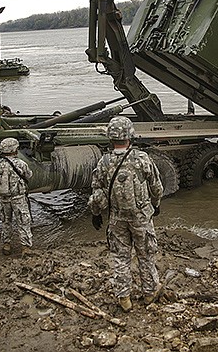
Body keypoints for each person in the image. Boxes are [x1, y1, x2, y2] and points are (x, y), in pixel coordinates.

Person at [88, 116, 163, 312]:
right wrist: (156, 205)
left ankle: (124, 299)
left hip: (117, 218)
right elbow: (156, 186)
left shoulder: (104, 162)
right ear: (130, 136)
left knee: (121, 258)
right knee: (146, 255)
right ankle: (149, 294)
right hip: (141, 217)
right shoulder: (142, 158)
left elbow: (96, 191)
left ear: (110, 138)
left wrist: (96, 213)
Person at [0, 137, 34, 255]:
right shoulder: (20, 164)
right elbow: (29, 175)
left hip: (4, 199)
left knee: (6, 222)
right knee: (23, 222)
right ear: (15, 149)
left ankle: (6, 245)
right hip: (18, 198)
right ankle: (25, 247)